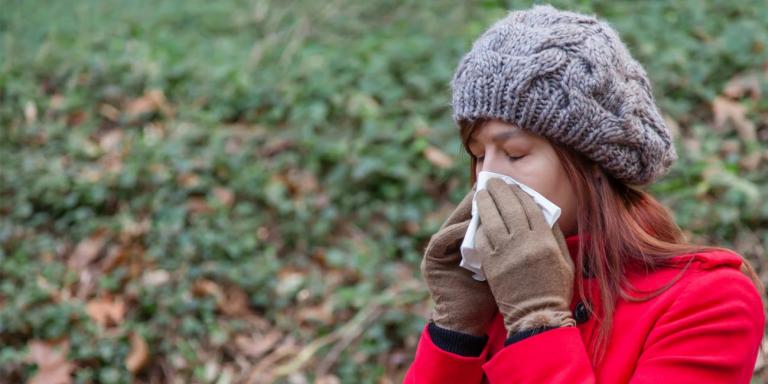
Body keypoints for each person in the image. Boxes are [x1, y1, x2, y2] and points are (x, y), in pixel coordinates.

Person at [403, 4, 766, 383]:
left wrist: (536, 323)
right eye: (478, 156)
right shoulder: (492, 297)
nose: (487, 179)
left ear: (592, 162)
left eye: (514, 153)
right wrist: (455, 333)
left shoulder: (709, 302)